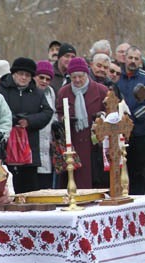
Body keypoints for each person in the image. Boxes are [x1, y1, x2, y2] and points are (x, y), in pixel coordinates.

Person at [0, 57, 53, 193]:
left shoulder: (37, 93)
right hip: (5, 146)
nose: (23, 78)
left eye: (27, 75)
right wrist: (14, 120)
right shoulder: (0, 90)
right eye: (21, 74)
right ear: (13, 74)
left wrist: (29, 121)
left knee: (28, 190)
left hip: (29, 148)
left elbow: (47, 112)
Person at [56, 57, 108, 189]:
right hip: (73, 144)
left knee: (93, 179)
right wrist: (64, 119)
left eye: (80, 76)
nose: (77, 80)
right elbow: (59, 113)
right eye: (74, 77)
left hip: (94, 145)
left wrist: (101, 118)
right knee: (75, 178)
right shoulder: (64, 92)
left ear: (87, 74)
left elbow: (110, 112)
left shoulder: (100, 90)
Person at [115, 46, 145, 194]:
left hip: (139, 133)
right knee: (119, 172)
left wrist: (130, 118)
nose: (133, 61)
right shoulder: (117, 76)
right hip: (118, 134)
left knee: (138, 173)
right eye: (130, 58)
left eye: (136, 59)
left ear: (140, 61)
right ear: (125, 58)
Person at [33, 61, 57, 189]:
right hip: (33, 146)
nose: (44, 81)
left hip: (47, 146)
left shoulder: (50, 92)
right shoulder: (30, 92)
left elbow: (52, 113)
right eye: (41, 77)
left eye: (48, 79)